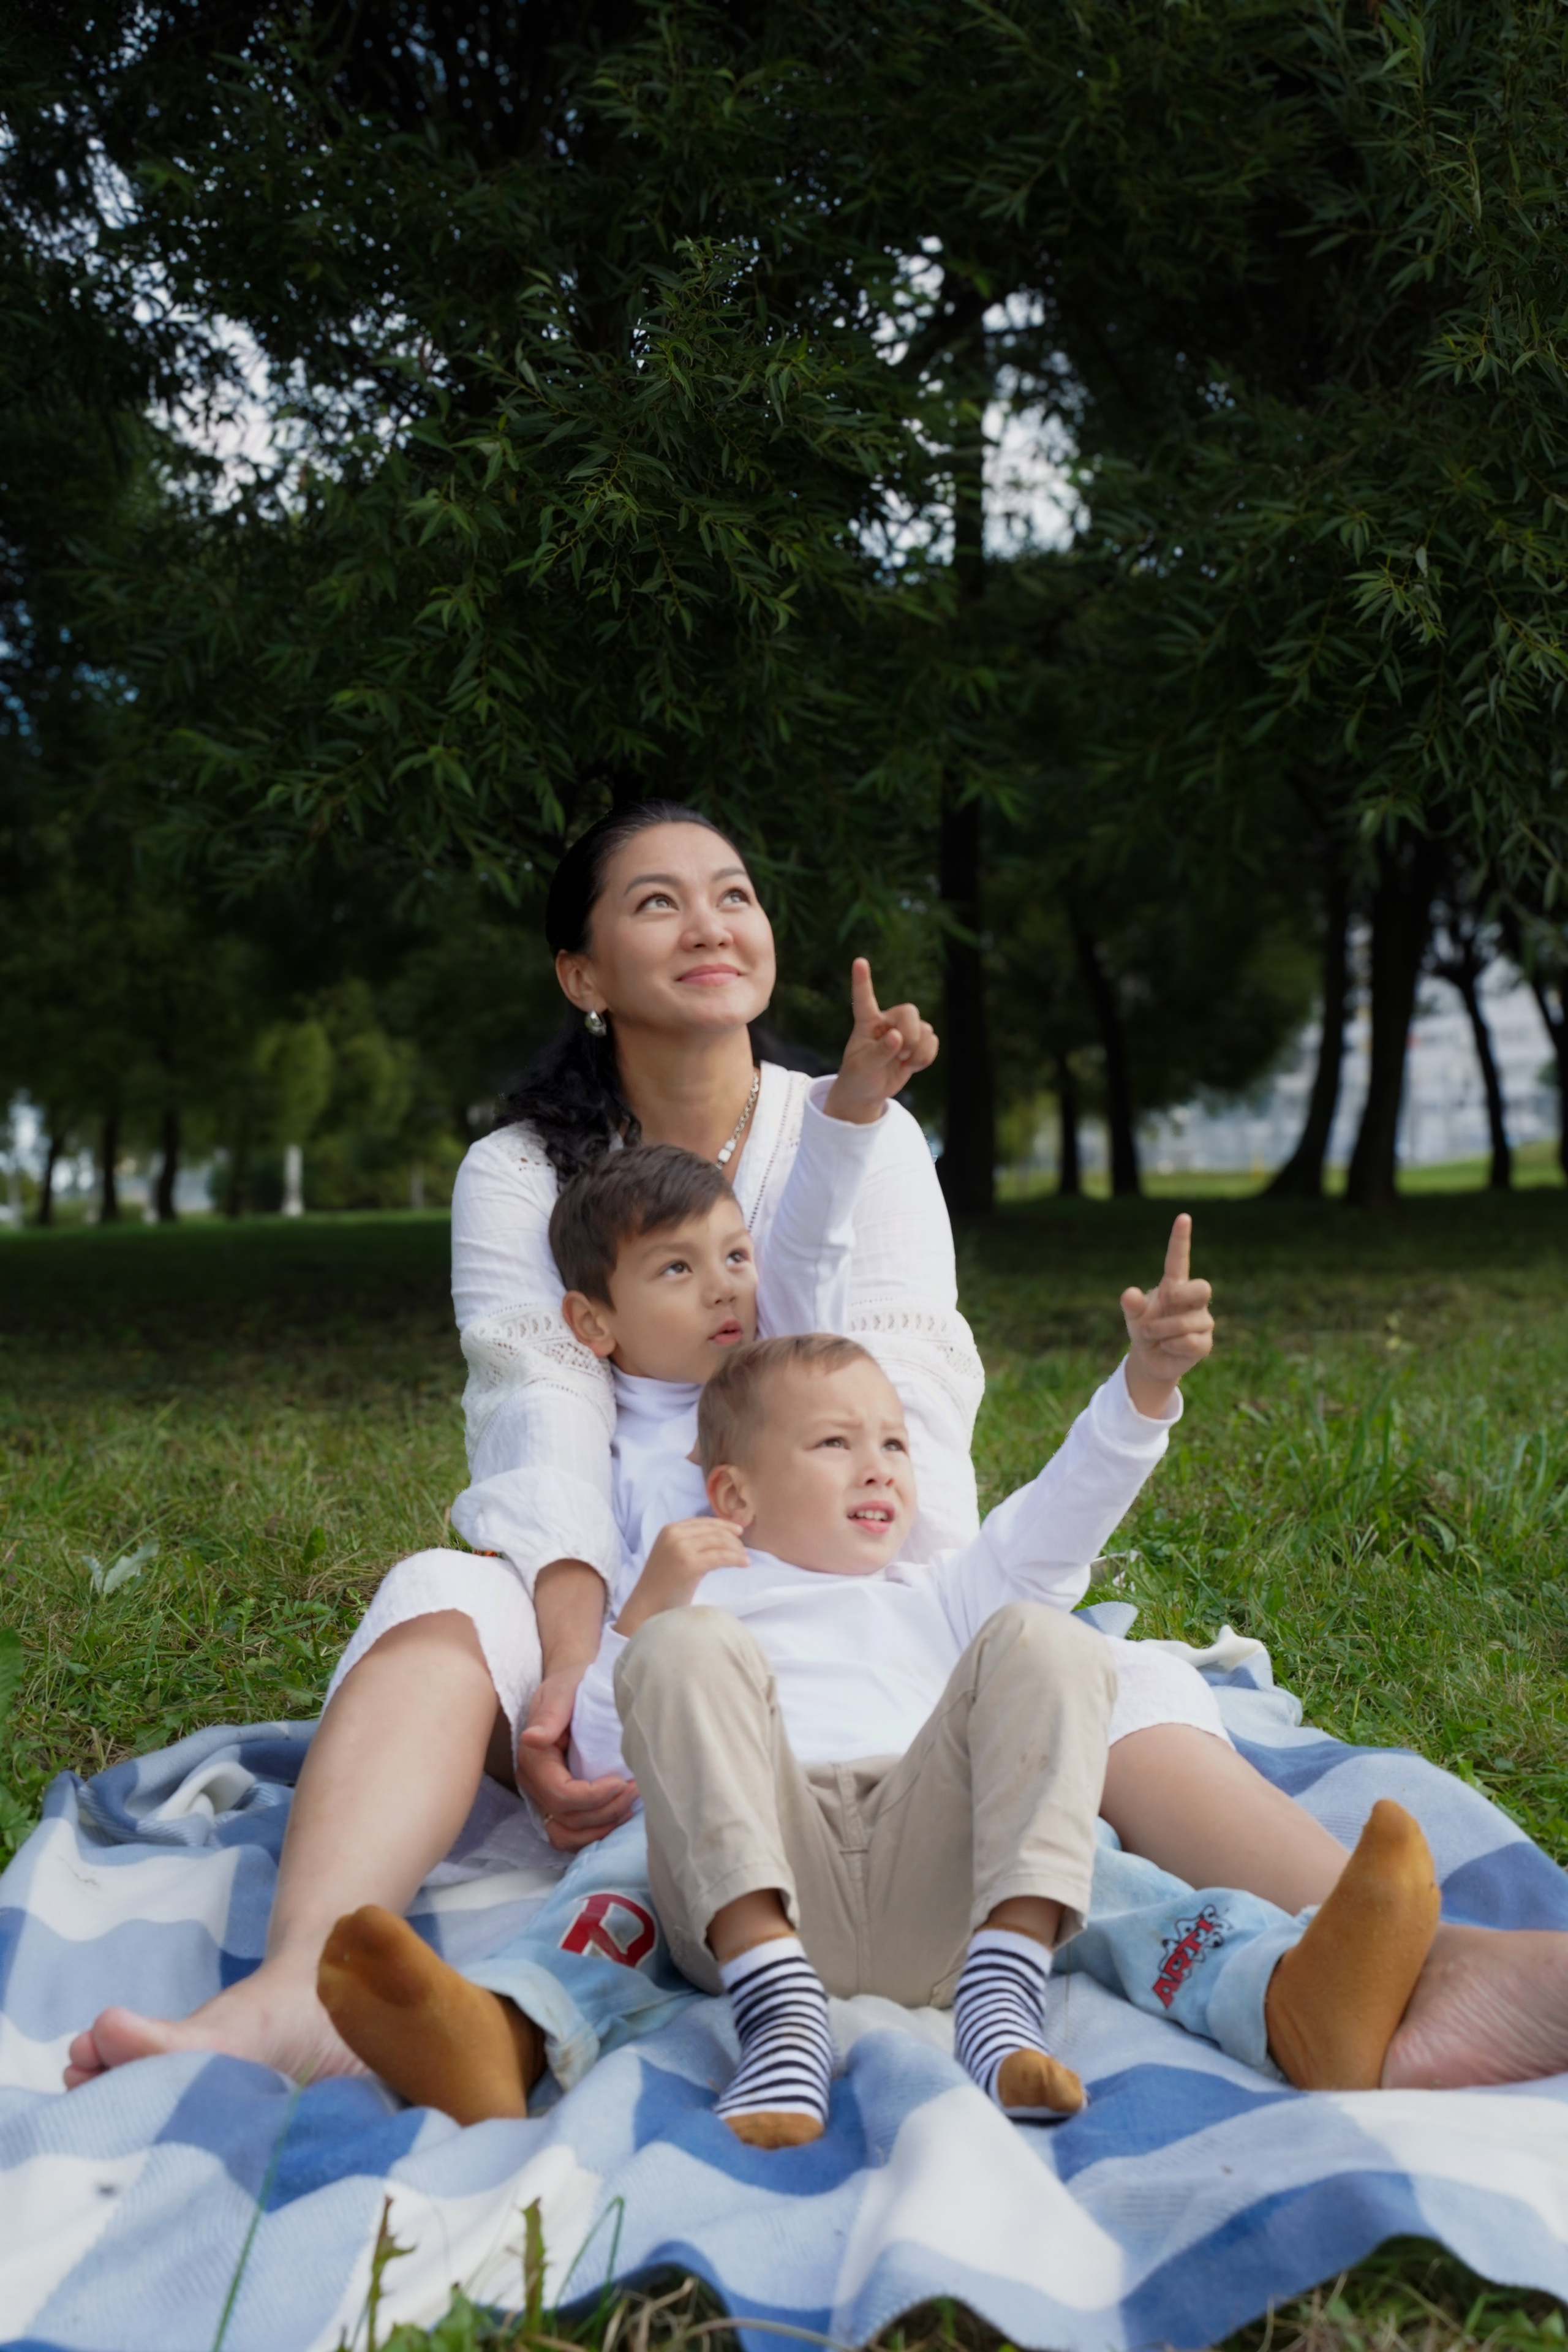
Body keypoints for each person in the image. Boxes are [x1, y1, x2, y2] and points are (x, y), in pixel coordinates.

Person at [63, 801, 1568, 2093]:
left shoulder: (861, 1127)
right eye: (655, 901)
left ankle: (1430, 1967)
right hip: (634, 1594)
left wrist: (916, 1633)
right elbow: (543, 1430)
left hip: (865, 1569)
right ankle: (291, 1999)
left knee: (1086, 1663)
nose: (708, 922)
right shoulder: (519, 1173)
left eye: (733, 894)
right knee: (434, 1597)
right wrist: (578, 1678)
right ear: (583, 970)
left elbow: (896, 1398)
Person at [316, 1336, 1442, 2140]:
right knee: (625, 1863)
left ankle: (1282, 1998)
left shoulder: (943, 1595)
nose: (880, 1468)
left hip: (950, 1890)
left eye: (894, 1444)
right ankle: (509, 2038)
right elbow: (614, 1758)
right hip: (753, 1889)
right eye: (836, 1443)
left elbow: (1058, 1521)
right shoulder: (704, 1598)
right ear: (733, 1495)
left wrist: (1142, 1391)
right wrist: (648, 1613)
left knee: (1060, 1681)